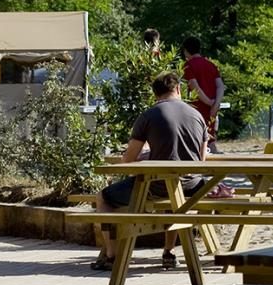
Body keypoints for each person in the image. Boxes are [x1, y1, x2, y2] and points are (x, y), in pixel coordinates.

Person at [92, 71, 208, 271]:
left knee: (103, 197)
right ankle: (169, 252)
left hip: (158, 185)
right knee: (174, 201)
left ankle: (112, 256)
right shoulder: (197, 116)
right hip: (192, 186)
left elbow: (128, 160)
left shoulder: (149, 115)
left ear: (155, 94)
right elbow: (201, 159)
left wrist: (146, 155)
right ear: (178, 89)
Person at [181, 36, 225, 154]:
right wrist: (215, 104)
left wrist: (208, 102)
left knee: (198, 139)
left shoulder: (188, 65)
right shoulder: (211, 65)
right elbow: (220, 86)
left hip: (197, 107)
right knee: (211, 137)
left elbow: (194, 86)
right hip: (212, 108)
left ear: (186, 50)